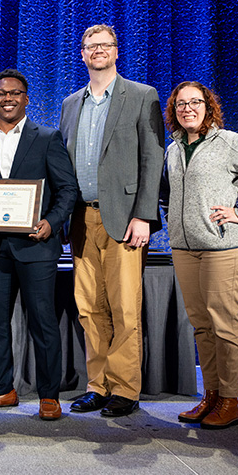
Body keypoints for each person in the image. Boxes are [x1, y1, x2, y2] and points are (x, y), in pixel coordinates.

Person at [160, 81, 238, 429]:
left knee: (225, 324)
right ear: (174, 110)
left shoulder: (227, 142)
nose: (188, 108)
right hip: (186, 249)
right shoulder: (173, 149)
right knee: (202, 326)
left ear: (208, 106)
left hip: (223, 249)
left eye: (195, 102)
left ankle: (230, 401)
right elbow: (167, 194)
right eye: (181, 103)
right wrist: (171, 219)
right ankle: (211, 395)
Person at [59, 24, 164, 417]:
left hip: (124, 219)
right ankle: (97, 385)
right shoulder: (71, 103)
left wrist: (144, 216)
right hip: (82, 220)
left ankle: (125, 389)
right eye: (91, 46)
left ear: (116, 51)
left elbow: (153, 159)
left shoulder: (141, 96)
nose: (98, 51)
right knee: (89, 308)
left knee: (124, 308)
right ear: (82, 54)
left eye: (105, 45)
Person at [0, 69, 78, 421]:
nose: (8, 98)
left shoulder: (46, 137)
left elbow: (67, 190)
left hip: (36, 247)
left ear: (26, 98)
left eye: (15, 93)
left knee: (43, 322)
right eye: (1, 93)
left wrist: (51, 223)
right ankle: (2, 390)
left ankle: (49, 395)